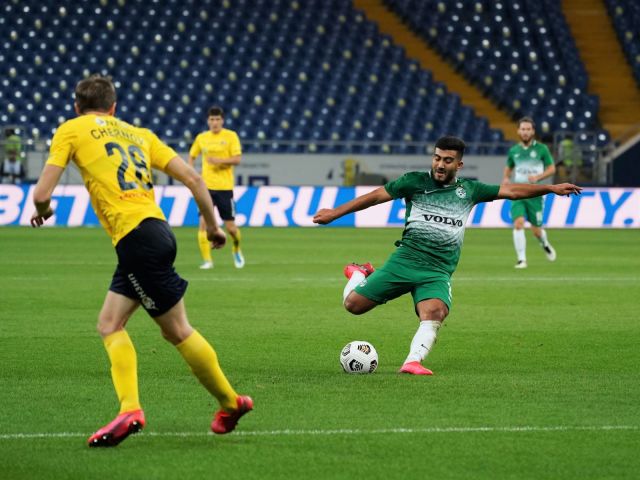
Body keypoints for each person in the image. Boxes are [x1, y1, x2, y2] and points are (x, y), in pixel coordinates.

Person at [30, 75, 253, 447]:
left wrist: (45, 210)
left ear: (77, 106)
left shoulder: (71, 129)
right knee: (109, 323)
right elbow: (195, 180)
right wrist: (214, 228)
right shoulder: (140, 134)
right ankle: (208, 404)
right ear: (114, 107)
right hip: (155, 231)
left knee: (177, 330)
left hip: (136, 241)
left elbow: (40, 194)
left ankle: (223, 403)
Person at [313, 136, 581, 375]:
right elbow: (374, 197)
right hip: (405, 260)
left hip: (437, 270)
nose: (440, 164)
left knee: (435, 311)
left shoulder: (470, 190)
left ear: (459, 165)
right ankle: (359, 272)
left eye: (448, 160)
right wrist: (335, 213)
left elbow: (511, 191)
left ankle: (412, 362)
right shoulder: (414, 182)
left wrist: (550, 188)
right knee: (353, 306)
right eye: (437, 158)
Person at [188, 106, 245, 269]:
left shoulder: (230, 136)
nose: (215, 122)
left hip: (224, 188)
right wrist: (192, 172)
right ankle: (207, 260)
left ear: (222, 120)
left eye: (217, 119)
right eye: (212, 119)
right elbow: (192, 156)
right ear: (208, 121)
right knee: (203, 224)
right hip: (205, 188)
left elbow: (237, 159)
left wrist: (219, 161)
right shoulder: (202, 138)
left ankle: (236, 249)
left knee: (231, 228)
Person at [502, 117, 557, 269]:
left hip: (535, 194)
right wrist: (506, 178)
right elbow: (509, 167)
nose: (525, 132)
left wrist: (538, 177)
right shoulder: (514, 151)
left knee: (536, 231)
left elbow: (552, 168)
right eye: (523, 129)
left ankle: (544, 243)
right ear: (518, 131)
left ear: (533, 131)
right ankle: (521, 260)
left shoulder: (542, 149)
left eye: (528, 129)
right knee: (518, 223)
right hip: (518, 192)